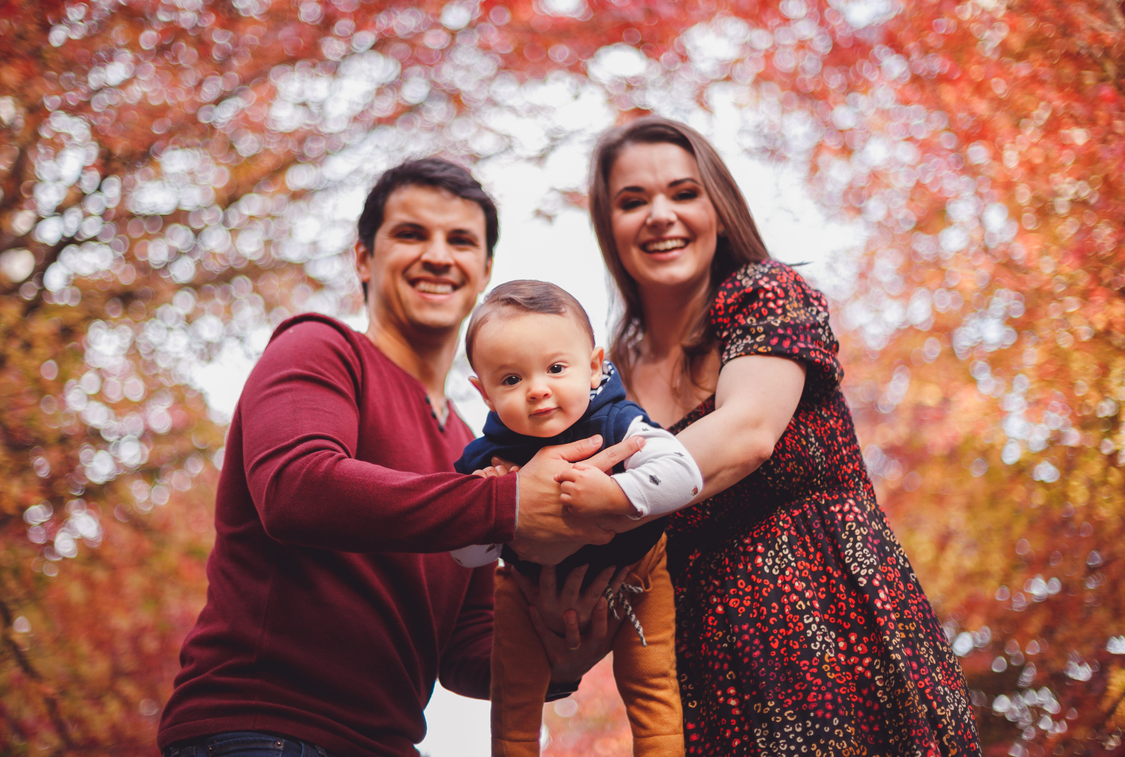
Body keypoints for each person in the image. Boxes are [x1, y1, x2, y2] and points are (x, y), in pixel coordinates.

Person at [157, 158, 637, 757]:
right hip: (263, 728)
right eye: (411, 234)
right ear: (364, 258)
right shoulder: (320, 348)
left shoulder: (475, 450)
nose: (438, 256)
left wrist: (556, 655)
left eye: (460, 240)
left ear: (484, 271)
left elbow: (462, 644)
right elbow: (296, 488)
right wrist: (507, 502)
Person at [571, 117, 983, 756]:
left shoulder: (763, 293)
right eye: (632, 201)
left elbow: (748, 433)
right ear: (609, 226)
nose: (660, 215)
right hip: (709, 680)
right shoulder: (605, 384)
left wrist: (612, 495)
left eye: (684, 193)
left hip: (837, 632)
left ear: (718, 208)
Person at [451, 280, 700, 757]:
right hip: (528, 589)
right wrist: (492, 505)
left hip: (637, 574)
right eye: (511, 379)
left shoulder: (618, 422)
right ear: (484, 394)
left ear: (593, 366)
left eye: (556, 368)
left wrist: (614, 494)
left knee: (651, 683)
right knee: (514, 693)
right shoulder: (485, 459)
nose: (537, 390)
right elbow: (465, 556)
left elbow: (685, 474)